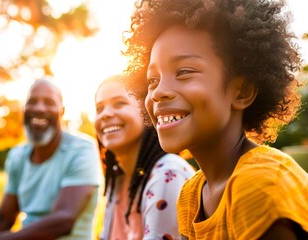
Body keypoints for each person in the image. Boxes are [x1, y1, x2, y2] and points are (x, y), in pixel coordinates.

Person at [123, 0, 308, 239]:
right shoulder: (191, 194)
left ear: (241, 91)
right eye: (152, 80)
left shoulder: (259, 182)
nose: (158, 92)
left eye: (183, 72)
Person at [0, 79, 102, 240]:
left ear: (62, 111)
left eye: (49, 102)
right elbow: (2, 220)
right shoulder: (17, 155)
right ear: (24, 110)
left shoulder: (82, 150)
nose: (39, 108)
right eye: (32, 102)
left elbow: (63, 221)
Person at [95, 75, 195, 240]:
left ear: (146, 112)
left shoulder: (168, 173)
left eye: (119, 103)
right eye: (99, 108)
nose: (105, 114)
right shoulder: (117, 178)